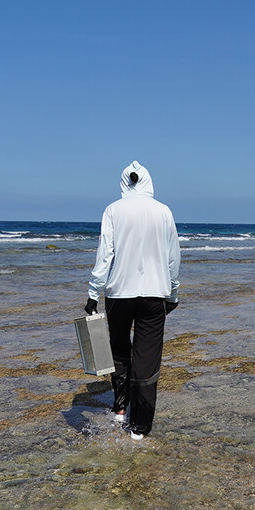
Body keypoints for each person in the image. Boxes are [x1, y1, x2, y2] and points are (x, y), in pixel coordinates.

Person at [84, 161, 181, 441]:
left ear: (124, 182)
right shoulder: (163, 212)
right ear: (149, 181)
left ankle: (120, 408)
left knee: (119, 351)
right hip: (154, 294)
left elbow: (105, 255)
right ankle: (139, 427)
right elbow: (173, 257)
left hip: (118, 293)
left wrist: (93, 293)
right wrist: (172, 293)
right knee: (147, 358)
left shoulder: (113, 210)